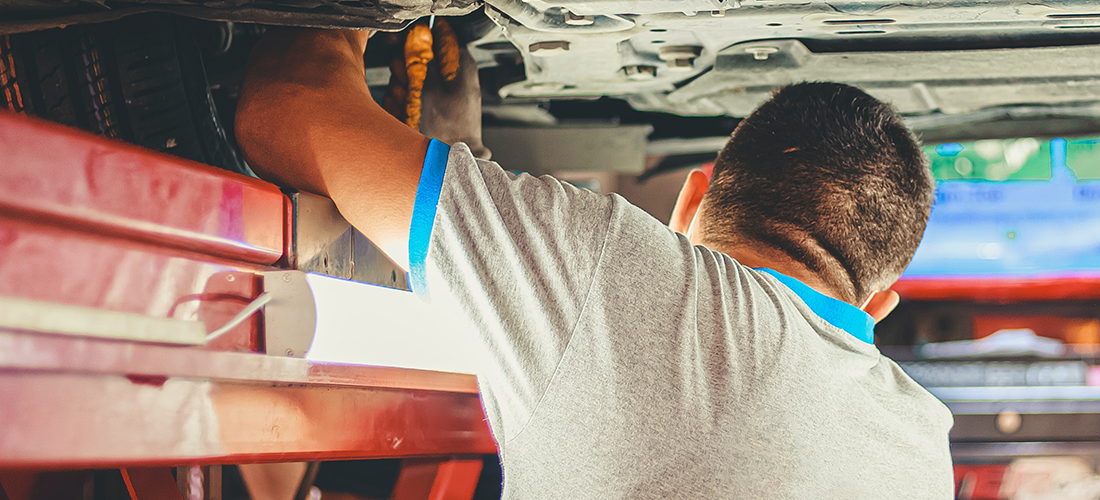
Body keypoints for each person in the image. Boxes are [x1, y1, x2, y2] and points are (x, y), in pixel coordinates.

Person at [235, 28, 952, 498]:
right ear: (876, 308)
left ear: (688, 202)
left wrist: (349, 23)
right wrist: (457, 169)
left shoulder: (622, 273)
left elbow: (285, 108)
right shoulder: (921, 446)